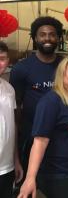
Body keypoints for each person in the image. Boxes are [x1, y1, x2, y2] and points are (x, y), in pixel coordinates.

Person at [18, 56, 68, 198]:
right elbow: (39, 142)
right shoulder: (51, 102)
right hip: (57, 173)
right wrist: (30, 178)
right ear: (62, 74)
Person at [9, 16, 63, 173]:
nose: (47, 38)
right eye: (42, 34)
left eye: (52, 34)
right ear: (35, 38)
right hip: (31, 136)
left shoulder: (65, 65)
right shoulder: (21, 68)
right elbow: (16, 105)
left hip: (61, 136)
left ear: (58, 38)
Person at [0, 41, 23, 198]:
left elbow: (12, 126)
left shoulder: (9, 90)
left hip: (6, 167)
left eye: (2, 58)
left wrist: (15, 160)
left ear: (8, 62)